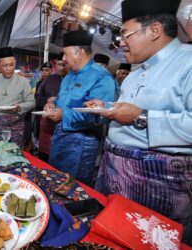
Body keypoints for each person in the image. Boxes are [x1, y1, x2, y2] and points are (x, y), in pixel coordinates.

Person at [85, 0, 192, 244]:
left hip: (158, 185)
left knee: (144, 241)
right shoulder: (134, 74)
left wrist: (141, 117)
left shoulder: (188, 62)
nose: (120, 42)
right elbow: (130, 109)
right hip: (112, 172)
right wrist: (108, 108)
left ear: (155, 30)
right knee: (107, 236)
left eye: (126, 34)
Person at [44, 30, 116, 185]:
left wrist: (64, 115)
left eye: (66, 54)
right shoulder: (69, 76)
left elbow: (98, 115)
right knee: (54, 181)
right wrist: (51, 104)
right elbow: (61, 100)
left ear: (80, 53)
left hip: (81, 143)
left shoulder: (101, 77)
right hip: (59, 137)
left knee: (73, 188)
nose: (63, 59)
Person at [0, 47, 35, 147]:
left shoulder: (23, 81)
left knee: (15, 153)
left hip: (16, 126)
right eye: (5, 65)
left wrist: (19, 107)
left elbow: (32, 102)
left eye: (11, 65)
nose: (9, 68)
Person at [35, 53, 69, 162]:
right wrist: (47, 101)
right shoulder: (49, 79)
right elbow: (38, 96)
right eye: (59, 64)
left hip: (65, 125)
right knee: (44, 158)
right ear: (55, 65)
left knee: (60, 159)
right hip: (47, 125)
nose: (62, 68)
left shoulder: (71, 80)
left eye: (64, 65)